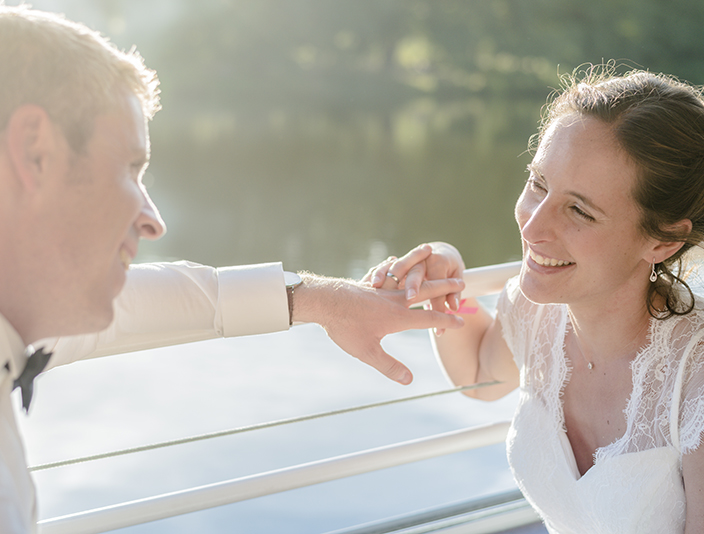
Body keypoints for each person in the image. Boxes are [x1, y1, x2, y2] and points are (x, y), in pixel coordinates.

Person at [0, 5, 465, 532]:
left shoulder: (23, 316)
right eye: (130, 169)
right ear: (34, 151)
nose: (154, 222)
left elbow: (153, 303)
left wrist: (321, 300)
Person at [371, 67, 704, 533]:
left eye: (579, 210)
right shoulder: (538, 308)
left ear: (662, 242)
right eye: (538, 183)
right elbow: (480, 377)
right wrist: (449, 282)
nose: (532, 227)